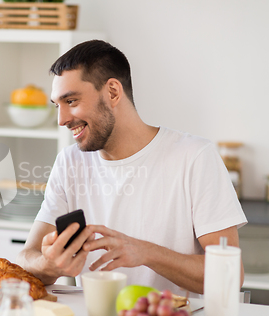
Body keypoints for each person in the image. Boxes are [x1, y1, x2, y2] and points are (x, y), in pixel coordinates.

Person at [17, 40, 246, 296]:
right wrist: (49, 264)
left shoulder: (195, 157)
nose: (61, 119)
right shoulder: (69, 162)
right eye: (57, 105)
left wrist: (146, 253)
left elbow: (229, 276)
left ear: (113, 92)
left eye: (71, 101)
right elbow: (27, 258)